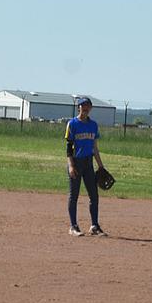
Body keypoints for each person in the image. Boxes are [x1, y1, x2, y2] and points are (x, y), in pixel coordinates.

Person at [65, 97, 106, 237]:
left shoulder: (93, 125)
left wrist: (101, 166)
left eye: (88, 106)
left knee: (94, 195)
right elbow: (69, 147)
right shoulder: (72, 124)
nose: (86, 108)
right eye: (83, 106)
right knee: (74, 196)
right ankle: (73, 226)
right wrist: (71, 165)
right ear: (79, 108)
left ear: (91, 109)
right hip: (76, 162)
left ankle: (94, 226)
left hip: (88, 164)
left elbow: (95, 148)